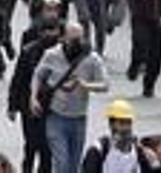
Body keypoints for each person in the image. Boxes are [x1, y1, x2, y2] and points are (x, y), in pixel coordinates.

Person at [31, 21, 108, 173]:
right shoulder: (52, 55)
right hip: (56, 116)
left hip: (79, 118)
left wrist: (85, 85)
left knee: (73, 167)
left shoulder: (91, 58)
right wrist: (33, 98)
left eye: (80, 39)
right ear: (63, 38)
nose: (77, 43)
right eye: (73, 39)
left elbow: (105, 85)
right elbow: (38, 75)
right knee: (62, 164)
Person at [10, 19, 62, 173]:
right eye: (47, 30)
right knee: (31, 144)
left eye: (53, 30)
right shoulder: (29, 51)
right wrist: (12, 105)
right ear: (40, 33)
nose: (50, 34)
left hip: (53, 106)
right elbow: (18, 79)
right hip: (29, 105)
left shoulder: (62, 54)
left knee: (47, 147)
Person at [79, 99, 159, 173]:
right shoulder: (98, 151)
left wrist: (155, 163)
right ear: (111, 125)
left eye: (128, 123)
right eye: (121, 123)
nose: (126, 128)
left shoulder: (137, 151)